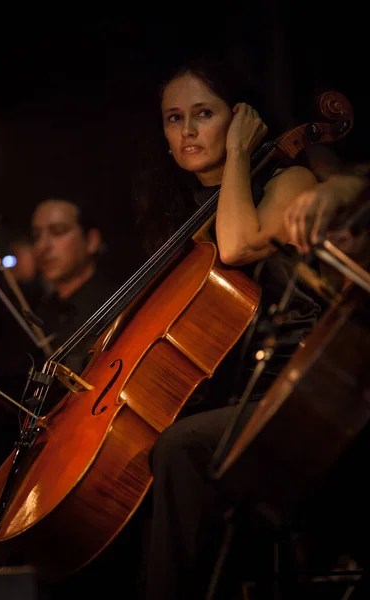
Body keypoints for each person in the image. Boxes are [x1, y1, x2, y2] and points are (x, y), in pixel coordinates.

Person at [130, 56, 332, 599]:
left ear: (240, 116)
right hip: (234, 397)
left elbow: (239, 244)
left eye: (205, 113)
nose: (189, 131)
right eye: (174, 118)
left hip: (294, 395)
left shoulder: (288, 180)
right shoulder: (183, 215)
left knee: (180, 448)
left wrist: (241, 153)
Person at [30, 197, 119, 378]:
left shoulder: (115, 307)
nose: (42, 246)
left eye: (58, 231)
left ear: (91, 241)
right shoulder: (39, 313)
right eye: (36, 236)